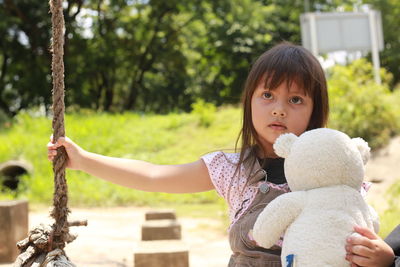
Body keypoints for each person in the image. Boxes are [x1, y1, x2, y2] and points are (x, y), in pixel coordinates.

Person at [47, 42, 330, 266]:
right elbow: (154, 176)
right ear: (249, 103)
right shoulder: (231, 169)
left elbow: (350, 227)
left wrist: (377, 256)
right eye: (268, 95)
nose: (279, 108)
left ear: (314, 111)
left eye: (295, 99)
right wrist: (83, 160)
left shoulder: (328, 170)